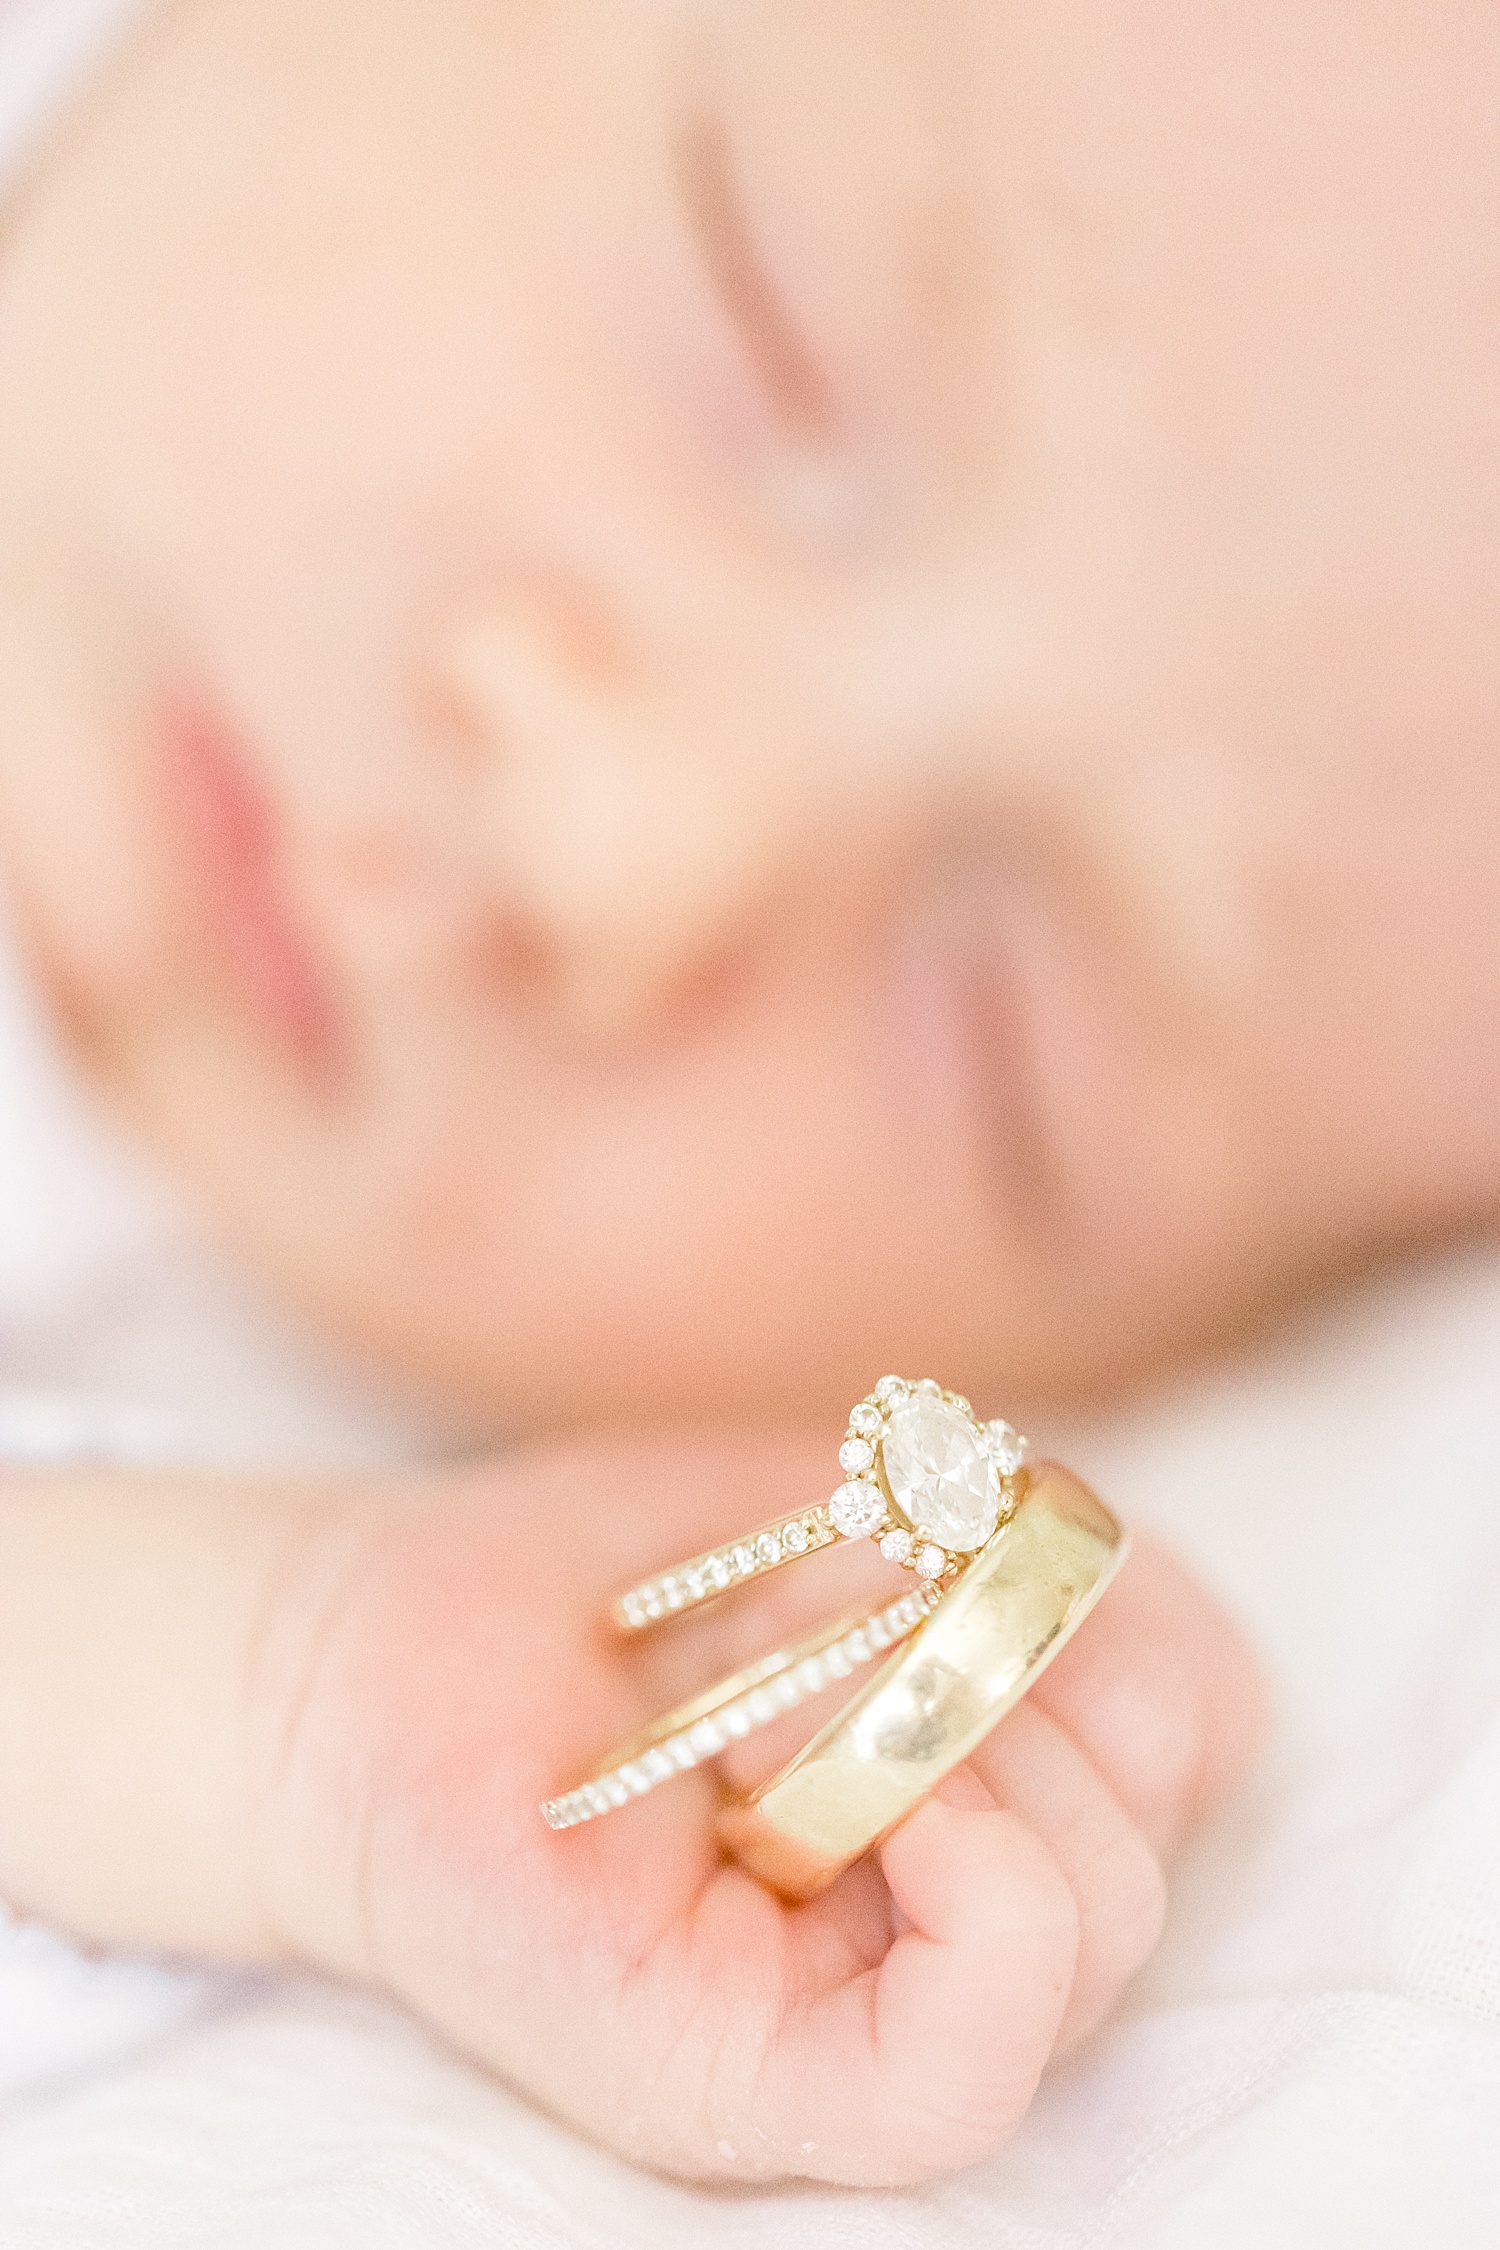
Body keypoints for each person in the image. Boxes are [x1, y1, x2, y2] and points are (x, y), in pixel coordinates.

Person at [0, 0, 1492, 2187]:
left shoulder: (280, 1414)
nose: (624, 837)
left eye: (1006, 1067)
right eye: (760, 303)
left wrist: (271, 1695)